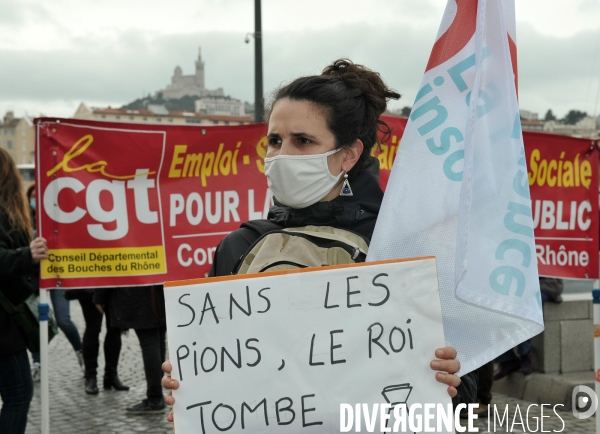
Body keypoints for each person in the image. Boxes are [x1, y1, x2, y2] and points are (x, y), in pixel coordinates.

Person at [161, 59, 477, 422]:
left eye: (303, 141)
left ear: (349, 154)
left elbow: (458, 402)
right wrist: (191, 390)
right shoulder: (238, 247)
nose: (281, 156)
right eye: (275, 141)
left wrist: (451, 376)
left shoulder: (400, 248)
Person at [0, 148, 48, 434]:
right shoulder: (4, 212)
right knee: (18, 396)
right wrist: (27, 254)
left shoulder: (10, 212)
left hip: (8, 322)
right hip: (4, 326)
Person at [27, 183, 84, 382]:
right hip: (33, 278)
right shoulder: (24, 220)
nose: (34, 199)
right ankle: (37, 363)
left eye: (37, 196)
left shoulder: (57, 218)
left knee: (63, 319)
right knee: (35, 321)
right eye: (32, 196)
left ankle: (80, 352)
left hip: (56, 275)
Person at [94, 285, 166, 413]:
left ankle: (155, 398)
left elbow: (115, 266)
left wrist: (100, 295)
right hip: (159, 288)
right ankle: (156, 395)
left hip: (140, 289)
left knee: (150, 341)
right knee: (157, 339)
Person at [63, 289, 128, 395]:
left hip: (114, 285)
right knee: (93, 328)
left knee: (115, 328)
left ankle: (111, 375)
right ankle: (90, 376)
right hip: (90, 285)